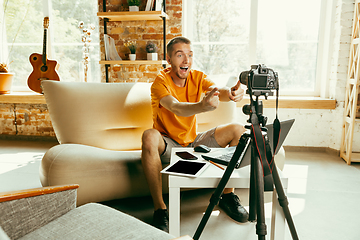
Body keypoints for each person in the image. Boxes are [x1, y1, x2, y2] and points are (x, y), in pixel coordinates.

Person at [141, 36, 248, 232]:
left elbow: (218, 91)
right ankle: (160, 209)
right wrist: (201, 106)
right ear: (169, 58)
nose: (186, 60)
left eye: (190, 55)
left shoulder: (197, 76)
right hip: (168, 143)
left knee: (238, 130)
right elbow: (175, 107)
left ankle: (227, 195)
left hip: (194, 141)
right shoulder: (160, 82)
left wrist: (231, 94)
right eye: (179, 55)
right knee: (149, 135)